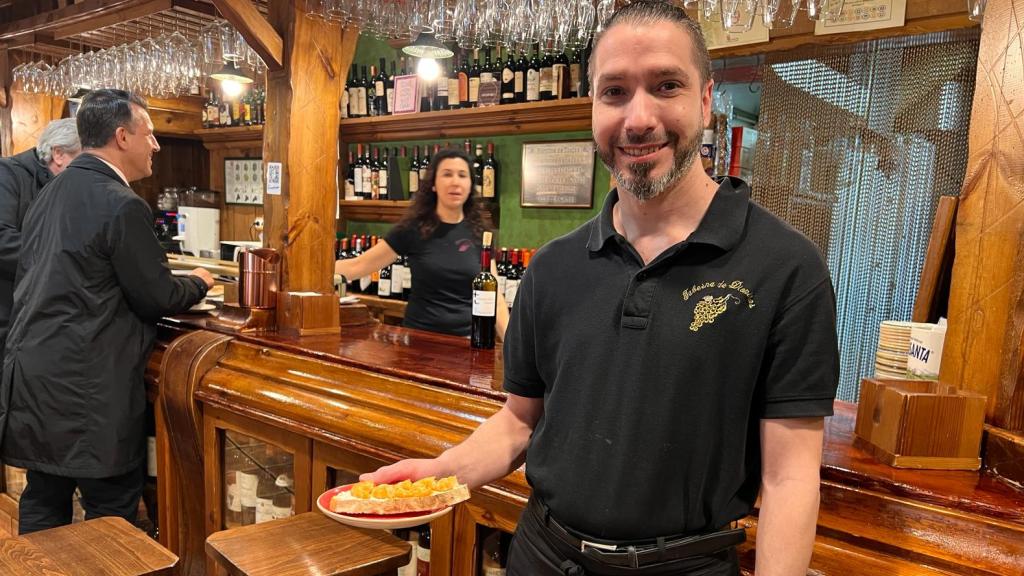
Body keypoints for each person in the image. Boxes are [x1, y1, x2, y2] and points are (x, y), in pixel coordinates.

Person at [361, 2, 840, 575]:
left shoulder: (786, 267)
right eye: (614, 92)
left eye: (666, 85)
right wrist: (438, 471)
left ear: (706, 100)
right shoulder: (553, 267)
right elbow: (519, 422)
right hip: (541, 555)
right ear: (593, 106)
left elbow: (789, 478)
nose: (638, 118)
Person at [0, 89, 215, 534]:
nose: (155, 145)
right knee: (111, 521)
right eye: (150, 135)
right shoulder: (121, 203)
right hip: (87, 391)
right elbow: (156, 295)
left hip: (35, 379)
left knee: (44, 500)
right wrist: (199, 282)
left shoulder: (50, 193)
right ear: (122, 137)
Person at [335, 147, 509, 339]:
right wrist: (311, 272)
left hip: (466, 342)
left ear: (470, 185)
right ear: (433, 184)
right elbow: (359, 265)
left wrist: (514, 347)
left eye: (462, 175)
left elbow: (494, 298)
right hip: (420, 341)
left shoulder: (480, 233)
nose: (455, 182)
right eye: (447, 174)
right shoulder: (413, 229)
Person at [0, 118, 82, 359]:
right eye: (84, 158)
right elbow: (2, 240)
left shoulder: (64, 187)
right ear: (58, 154)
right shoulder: (8, 174)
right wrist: (61, 260)